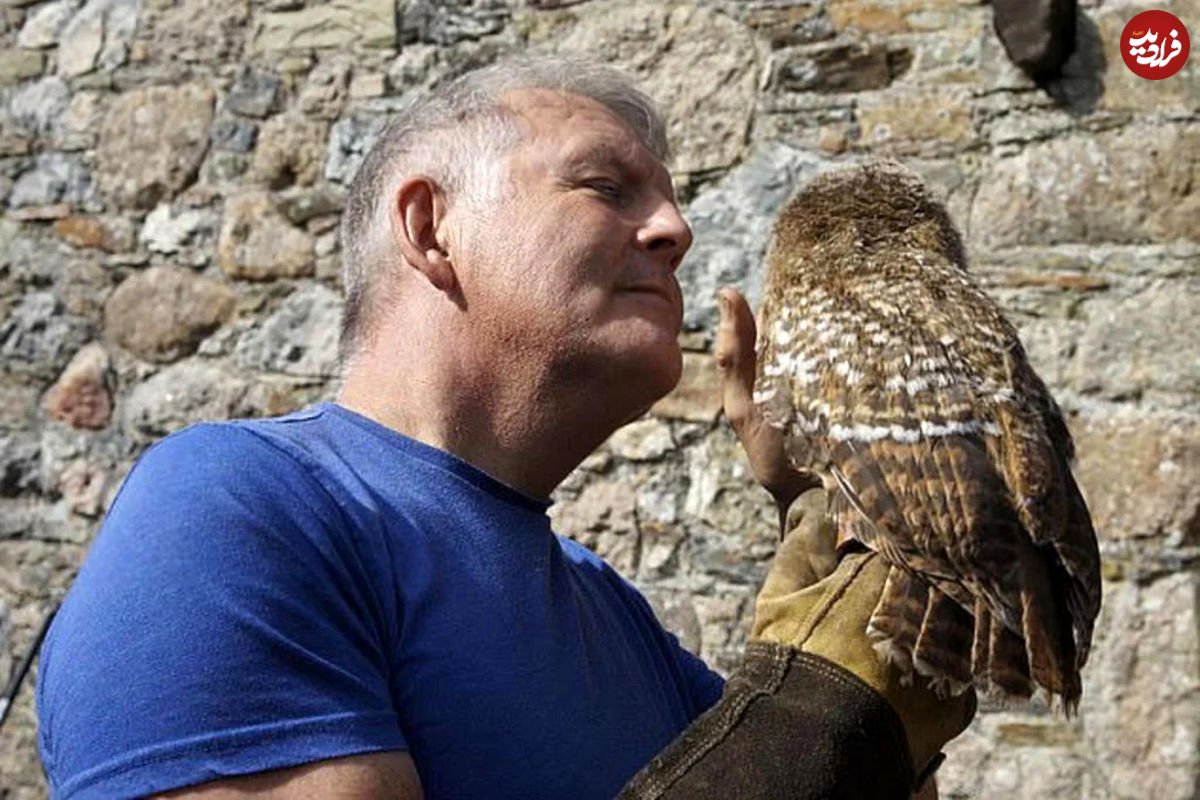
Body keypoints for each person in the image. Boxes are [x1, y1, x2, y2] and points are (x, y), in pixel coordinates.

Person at [35, 58, 972, 799]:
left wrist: (838, 521)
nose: (676, 230)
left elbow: (844, 779)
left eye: (671, 202)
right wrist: (814, 699)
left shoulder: (615, 615)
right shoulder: (234, 509)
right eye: (607, 187)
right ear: (431, 227)